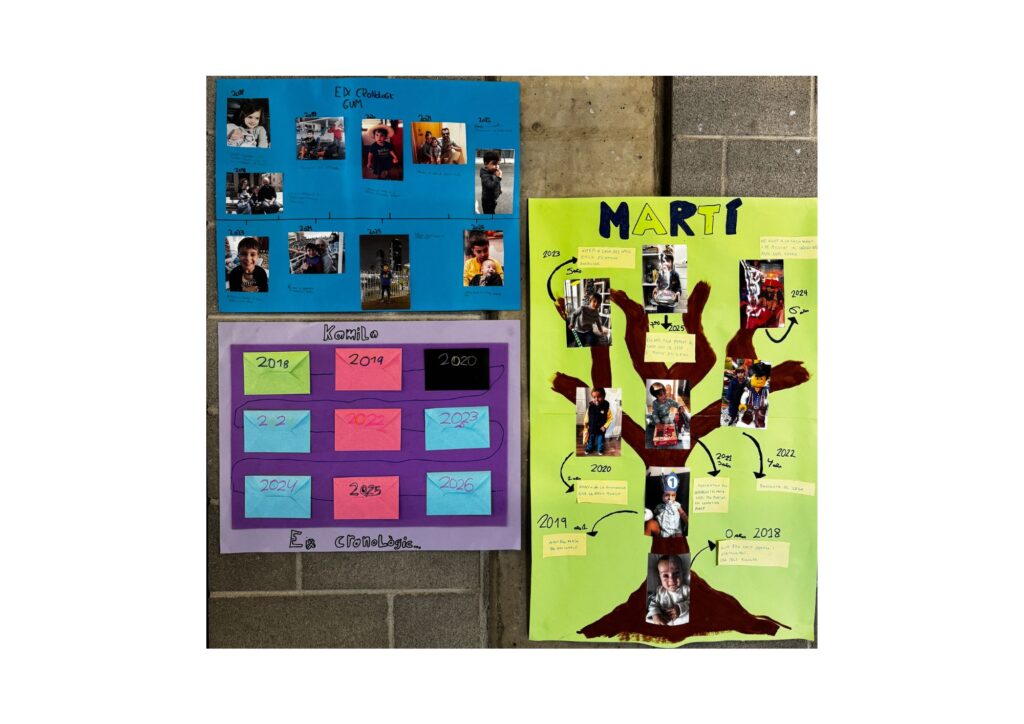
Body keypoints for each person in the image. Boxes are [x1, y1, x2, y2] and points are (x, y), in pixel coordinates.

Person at [646, 555, 690, 626]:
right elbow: (653, 604)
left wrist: (680, 608)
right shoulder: (660, 591)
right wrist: (655, 615)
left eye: (676, 573)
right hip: (665, 622)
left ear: (683, 573)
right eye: (665, 576)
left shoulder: (686, 589)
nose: (671, 580)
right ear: (660, 578)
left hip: (681, 622)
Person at [648, 382, 681, 447]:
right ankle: (653, 423)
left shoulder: (669, 401)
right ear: (656, 396)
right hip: (657, 418)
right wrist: (658, 422)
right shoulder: (655, 403)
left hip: (665, 417)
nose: (664, 396)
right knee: (652, 420)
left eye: (664, 393)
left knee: (668, 420)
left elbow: (675, 403)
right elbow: (654, 414)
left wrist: (679, 406)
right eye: (661, 395)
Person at [739, 361, 771, 428]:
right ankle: (747, 418)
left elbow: (768, 397)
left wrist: (767, 401)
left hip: (761, 407)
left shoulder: (766, 390)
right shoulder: (748, 390)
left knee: (761, 415)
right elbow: (744, 396)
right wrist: (742, 403)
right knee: (748, 413)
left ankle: (759, 421)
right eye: (757, 378)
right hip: (749, 406)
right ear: (750, 378)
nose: (759, 381)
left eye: (762, 379)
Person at [582, 388, 612, 456]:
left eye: (599, 397)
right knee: (590, 439)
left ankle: (600, 449)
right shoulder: (590, 407)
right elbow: (587, 416)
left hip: (601, 428)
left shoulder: (606, 408)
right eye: (594, 397)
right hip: (592, 427)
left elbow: (610, 418)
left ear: (604, 396)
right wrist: (585, 424)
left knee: (600, 440)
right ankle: (589, 448)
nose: (596, 399)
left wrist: (605, 426)